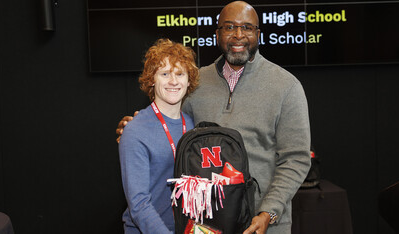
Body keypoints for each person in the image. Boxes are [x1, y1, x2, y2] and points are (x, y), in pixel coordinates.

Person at [116, 2, 311, 233]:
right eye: (229, 27)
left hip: (262, 225)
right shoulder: (196, 82)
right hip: (207, 224)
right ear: (217, 34)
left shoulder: (286, 87)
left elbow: (296, 159)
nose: (238, 35)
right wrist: (136, 125)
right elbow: (168, 118)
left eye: (247, 28)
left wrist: (269, 211)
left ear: (258, 34)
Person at [118, 38, 199, 234]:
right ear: (151, 81)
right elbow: (138, 204)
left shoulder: (192, 125)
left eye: (180, 74)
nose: (173, 81)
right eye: (165, 74)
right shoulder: (135, 131)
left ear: (189, 81)